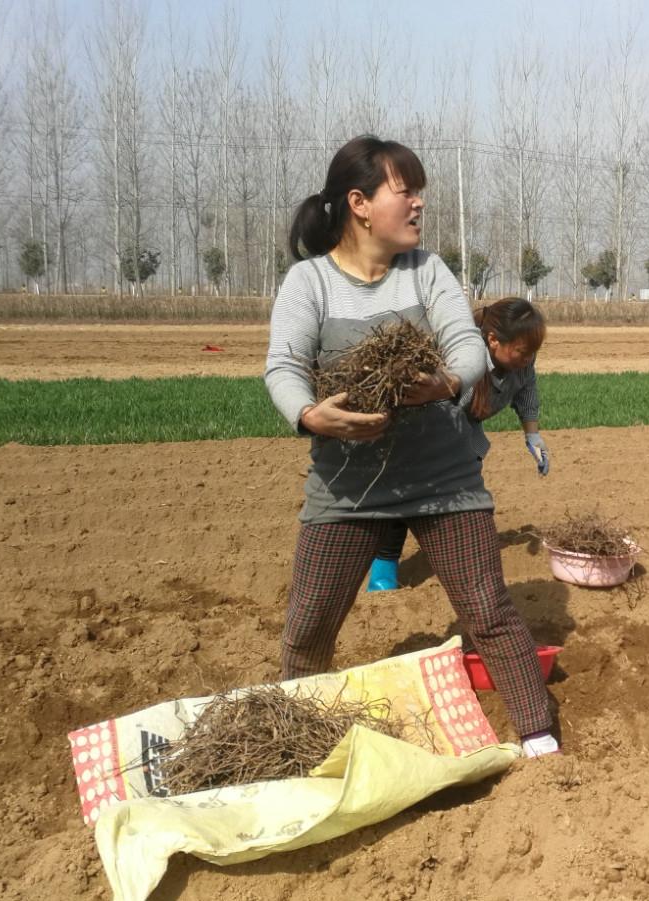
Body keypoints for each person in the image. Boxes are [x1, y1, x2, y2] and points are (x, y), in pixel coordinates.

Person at [263, 135, 559, 758]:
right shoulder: (309, 282)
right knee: (309, 624)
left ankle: (540, 740)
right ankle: (291, 747)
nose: (420, 204)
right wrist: (313, 416)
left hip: (443, 476)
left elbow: (467, 345)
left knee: (489, 613)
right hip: (348, 484)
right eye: (407, 191)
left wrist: (447, 381)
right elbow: (283, 367)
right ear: (360, 203)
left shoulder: (428, 271)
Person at [366, 297, 551, 591]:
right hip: (427, 425)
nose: (528, 359)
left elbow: (527, 390)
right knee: (406, 497)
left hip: (466, 431)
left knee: (467, 496)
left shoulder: (523, 362)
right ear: (493, 340)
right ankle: (384, 567)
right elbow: (441, 407)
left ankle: (461, 558)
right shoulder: (465, 358)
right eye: (522, 351)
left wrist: (532, 435)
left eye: (533, 353)